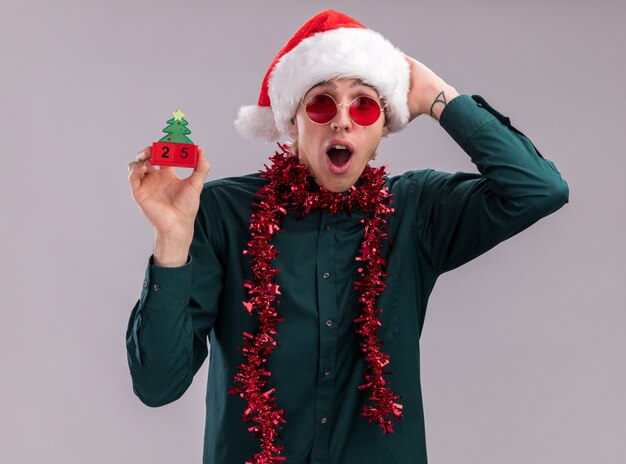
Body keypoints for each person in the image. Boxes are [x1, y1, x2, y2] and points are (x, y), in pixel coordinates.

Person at [126, 9, 569, 464]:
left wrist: (441, 99)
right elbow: (158, 385)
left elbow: (539, 189)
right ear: (293, 121)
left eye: (364, 104)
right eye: (321, 102)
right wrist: (172, 240)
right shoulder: (221, 213)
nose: (342, 120)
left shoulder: (414, 210)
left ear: (381, 130)